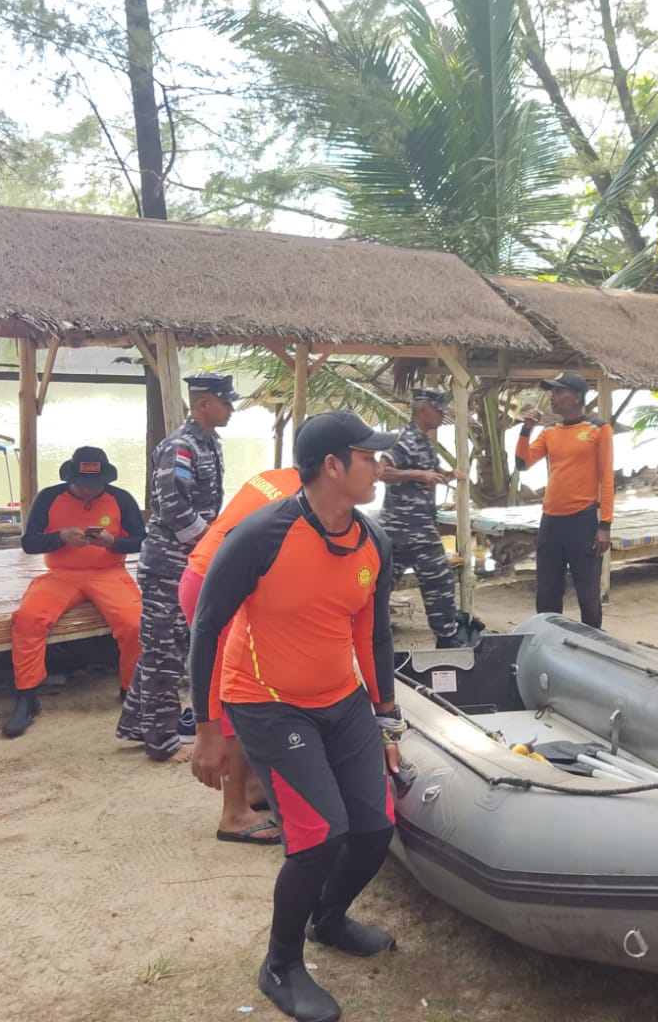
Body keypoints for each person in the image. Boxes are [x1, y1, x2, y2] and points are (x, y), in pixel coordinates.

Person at [189, 411, 404, 1022]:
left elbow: (374, 637)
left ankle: (327, 921)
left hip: (341, 699)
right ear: (333, 466)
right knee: (318, 835)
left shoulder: (373, 542)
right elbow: (206, 629)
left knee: (373, 826)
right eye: (369, 456)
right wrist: (208, 732)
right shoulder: (261, 536)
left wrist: (386, 719)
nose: (379, 465)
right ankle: (280, 964)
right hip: (265, 699)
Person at [179, 465, 303, 846]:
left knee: (240, 692)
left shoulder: (279, 476)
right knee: (236, 697)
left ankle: (250, 787)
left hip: (201, 574)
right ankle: (233, 814)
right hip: (221, 587)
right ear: (333, 465)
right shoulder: (302, 502)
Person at [117, 372, 235, 761]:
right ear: (204, 404)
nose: (231, 408)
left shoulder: (209, 443)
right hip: (168, 564)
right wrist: (212, 542)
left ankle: (138, 723)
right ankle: (162, 741)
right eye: (225, 402)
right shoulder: (180, 447)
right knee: (164, 654)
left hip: (188, 562)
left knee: (165, 647)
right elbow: (172, 507)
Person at [2, 446, 145, 738]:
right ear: (71, 478)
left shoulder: (121, 499)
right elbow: (29, 543)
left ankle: (131, 690)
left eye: (97, 485)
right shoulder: (49, 498)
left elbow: (142, 540)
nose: (91, 491)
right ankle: (27, 696)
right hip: (60, 575)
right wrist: (60, 537)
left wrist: (112, 543)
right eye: (84, 485)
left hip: (108, 573)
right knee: (29, 618)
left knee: (136, 622)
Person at [380, 388, 479, 649]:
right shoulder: (404, 439)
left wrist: (444, 473)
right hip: (405, 528)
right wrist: (417, 475)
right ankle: (447, 636)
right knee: (439, 578)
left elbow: (424, 471)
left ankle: (445, 636)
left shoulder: (423, 440)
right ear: (423, 410)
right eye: (439, 409)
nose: (443, 414)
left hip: (415, 528)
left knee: (390, 581)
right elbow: (382, 471)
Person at [515, 372, 613, 629]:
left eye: (559, 392)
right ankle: (548, 636)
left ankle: (594, 641)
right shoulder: (549, 431)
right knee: (547, 590)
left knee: (587, 590)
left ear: (576, 397)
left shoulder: (598, 429)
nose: (553, 397)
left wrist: (605, 525)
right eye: (552, 392)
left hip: (582, 520)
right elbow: (523, 463)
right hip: (551, 521)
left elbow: (607, 478)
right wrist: (526, 430)